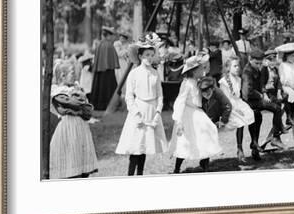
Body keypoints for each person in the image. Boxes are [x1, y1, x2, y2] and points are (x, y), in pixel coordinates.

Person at [115, 34, 168, 176]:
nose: (149, 58)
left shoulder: (155, 73)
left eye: (151, 55)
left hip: (151, 111)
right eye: (146, 55)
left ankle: (140, 174)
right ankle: (130, 175)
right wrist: (136, 114)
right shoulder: (134, 74)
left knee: (144, 146)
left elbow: (160, 95)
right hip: (139, 110)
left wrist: (157, 113)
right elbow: (129, 96)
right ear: (139, 56)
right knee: (136, 146)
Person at [169, 55, 221, 173]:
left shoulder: (199, 82)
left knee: (208, 131)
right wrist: (179, 120)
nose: (202, 71)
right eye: (200, 69)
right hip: (188, 113)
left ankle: (205, 162)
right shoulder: (186, 84)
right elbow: (180, 101)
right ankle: (177, 167)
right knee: (185, 140)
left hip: (197, 112)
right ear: (193, 71)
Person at [49, 63, 98, 179]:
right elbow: (72, 104)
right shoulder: (58, 92)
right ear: (62, 75)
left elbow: (88, 109)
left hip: (81, 127)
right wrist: (80, 102)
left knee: (81, 155)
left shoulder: (75, 89)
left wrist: (80, 103)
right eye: (72, 72)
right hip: (68, 127)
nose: (75, 75)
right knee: (71, 154)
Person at [241, 49, 285, 160]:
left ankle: (255, 146)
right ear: (250, 60)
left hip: (256, 99)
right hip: (249, 101)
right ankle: (275, 137)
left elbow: (261, 83)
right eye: (257, 63)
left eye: (261, 63)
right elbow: (247, 93)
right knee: (276, 109)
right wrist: (261, 95)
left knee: (259, 116)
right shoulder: (247, 72)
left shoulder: (257, 68)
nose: (259, 66)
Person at [219, 57, 255, 163]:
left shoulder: (238, 79)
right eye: (234, 66)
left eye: (238, 66)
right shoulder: (224, 82)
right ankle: (240, 149)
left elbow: (240, 95)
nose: (237, 68)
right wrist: (236, 109)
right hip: (229, 106)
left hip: (238, 103)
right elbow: (225, 100)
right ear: (228, 68)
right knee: (240, 122)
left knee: (251, 114)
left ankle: (254, 141)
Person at [276, 43, 294, 128]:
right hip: (287, 86)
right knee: (291, 94)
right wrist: (289, 84)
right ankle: (290, 116)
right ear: (287, 56)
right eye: (292, 56)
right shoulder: (283, 65)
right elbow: (282, 78)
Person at [90, 26, 120, 110]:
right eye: (112, 35)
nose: (113, 37)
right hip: (108, 72)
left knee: (99, 88)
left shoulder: (99, 44)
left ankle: (98, 105)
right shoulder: (109, 45)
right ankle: (108, 105)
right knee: (108, 88)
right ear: (109, 36)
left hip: (99, 72)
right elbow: (112, 59)